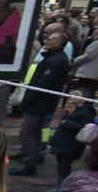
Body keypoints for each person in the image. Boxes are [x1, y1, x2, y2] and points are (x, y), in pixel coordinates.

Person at [10, 31, 71, 176]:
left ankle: (29, 161)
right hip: (41, 101)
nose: (46, 40)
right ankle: (33, 157)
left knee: (26, 131)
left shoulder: (57, 61)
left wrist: (27, 100)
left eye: (50, 39)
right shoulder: (52, 58)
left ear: (58, 43)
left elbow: (43, 84)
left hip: (40, 102)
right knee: (35, 132)